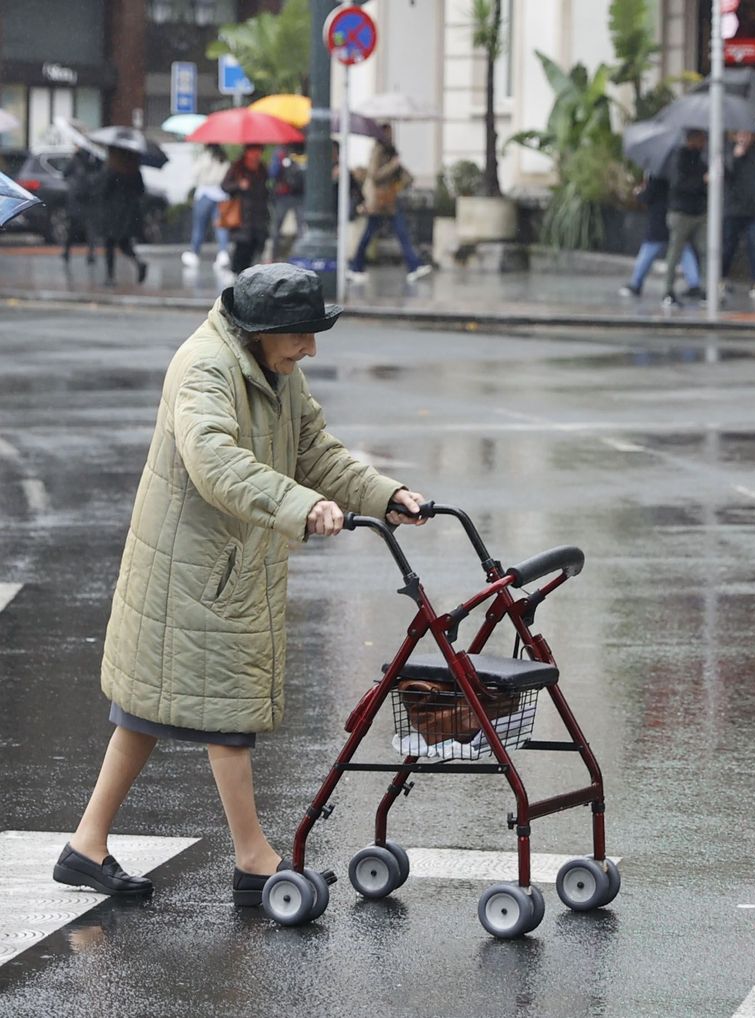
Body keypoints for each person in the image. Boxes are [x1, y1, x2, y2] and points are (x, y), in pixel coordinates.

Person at [52, 263, 429, 906]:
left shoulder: (274, 367)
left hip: (221, 562)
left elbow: (314, 450)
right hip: (197, 569)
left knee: (147, 710)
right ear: (261, 328)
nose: (310, 348)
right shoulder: (205, 367)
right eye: (301, 334)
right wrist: (302, 505)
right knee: (225, 712)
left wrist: (383, 494)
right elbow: (214, 461)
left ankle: (87, 845)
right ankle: (254, 859)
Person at [349, 125, 431, 284]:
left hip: (389, 200)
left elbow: (402, 174)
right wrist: (392, 166)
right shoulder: (378, 150)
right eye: (388, 133)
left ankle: (413, 266)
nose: (391, 136)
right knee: (370, 234)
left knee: (401, 232)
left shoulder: (391, 151)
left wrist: (404, 175)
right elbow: (374, 175)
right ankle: (355, 267)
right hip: (379, 201)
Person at [620, 173, 701, 298]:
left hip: (658, 218)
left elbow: (648, 197)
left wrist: (639, 193)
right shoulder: (679, 170)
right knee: (684, 250)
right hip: (678, 214)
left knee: (649, 250)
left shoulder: (656, 174)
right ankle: (694, 284)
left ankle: (635, 283)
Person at [663, 129, 709, 308]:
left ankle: (705, 289)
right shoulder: (679, 158)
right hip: (681, 212)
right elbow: (679, 184)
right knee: (675, 252)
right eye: (701, 139)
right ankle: (668, 291)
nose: (704, 143)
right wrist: (702, 181)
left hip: (699, 212)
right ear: (692, 139)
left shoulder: (700, 158)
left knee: (705, 250)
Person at [722, 130, 755, 297]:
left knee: (754, 245)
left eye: (748, 135)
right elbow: (726, 175)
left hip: (753, 210)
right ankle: (722, 276)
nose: (744, 139)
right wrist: (734, 157)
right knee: (729, 246)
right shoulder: (728, 152)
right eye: (741, 135)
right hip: (733, 209)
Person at [101, 148, 148, 285]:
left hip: (114, 211)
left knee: (110, 243)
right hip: (130, 212)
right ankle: (138, 262)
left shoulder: (112, 170)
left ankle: (110, 276)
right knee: (124, 243)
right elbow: (141, 191)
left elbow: (104, 190)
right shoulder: (134, 169)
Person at [222, 144, 271, 275]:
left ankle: (247, 273)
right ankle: (236, 272)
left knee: (256, 244)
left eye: (258, 151)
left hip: (259, 213)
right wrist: (239, 185)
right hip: (241, 214)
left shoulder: (262, 168)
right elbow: (225, 186)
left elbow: (266, 188)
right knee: (242, 245)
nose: (256, 155)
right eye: (253, 151)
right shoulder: (237, 168)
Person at [184, 144, 232, 270]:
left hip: (205, 193)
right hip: (221, 195)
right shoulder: (224, 158)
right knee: (221, 227)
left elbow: (195, 173)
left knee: (199, 226)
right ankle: (223, 252)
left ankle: (195, 252)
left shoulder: (205, 157)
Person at [62, 147, 102, 267]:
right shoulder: (91, 160)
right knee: (86, 228)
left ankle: (69, 252)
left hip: (81, 200)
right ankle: (87, 253)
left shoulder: (78, 161)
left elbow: (65, 174)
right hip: (85, 199)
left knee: (77, 228)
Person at [266, 144, 306, 261]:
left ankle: (275, 256)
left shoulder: (280, 152)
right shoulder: (302, 151)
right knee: (300, 227)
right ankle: (298, 256)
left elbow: (272, 173)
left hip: (286, 194)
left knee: (277, 227)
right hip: (295, 194)